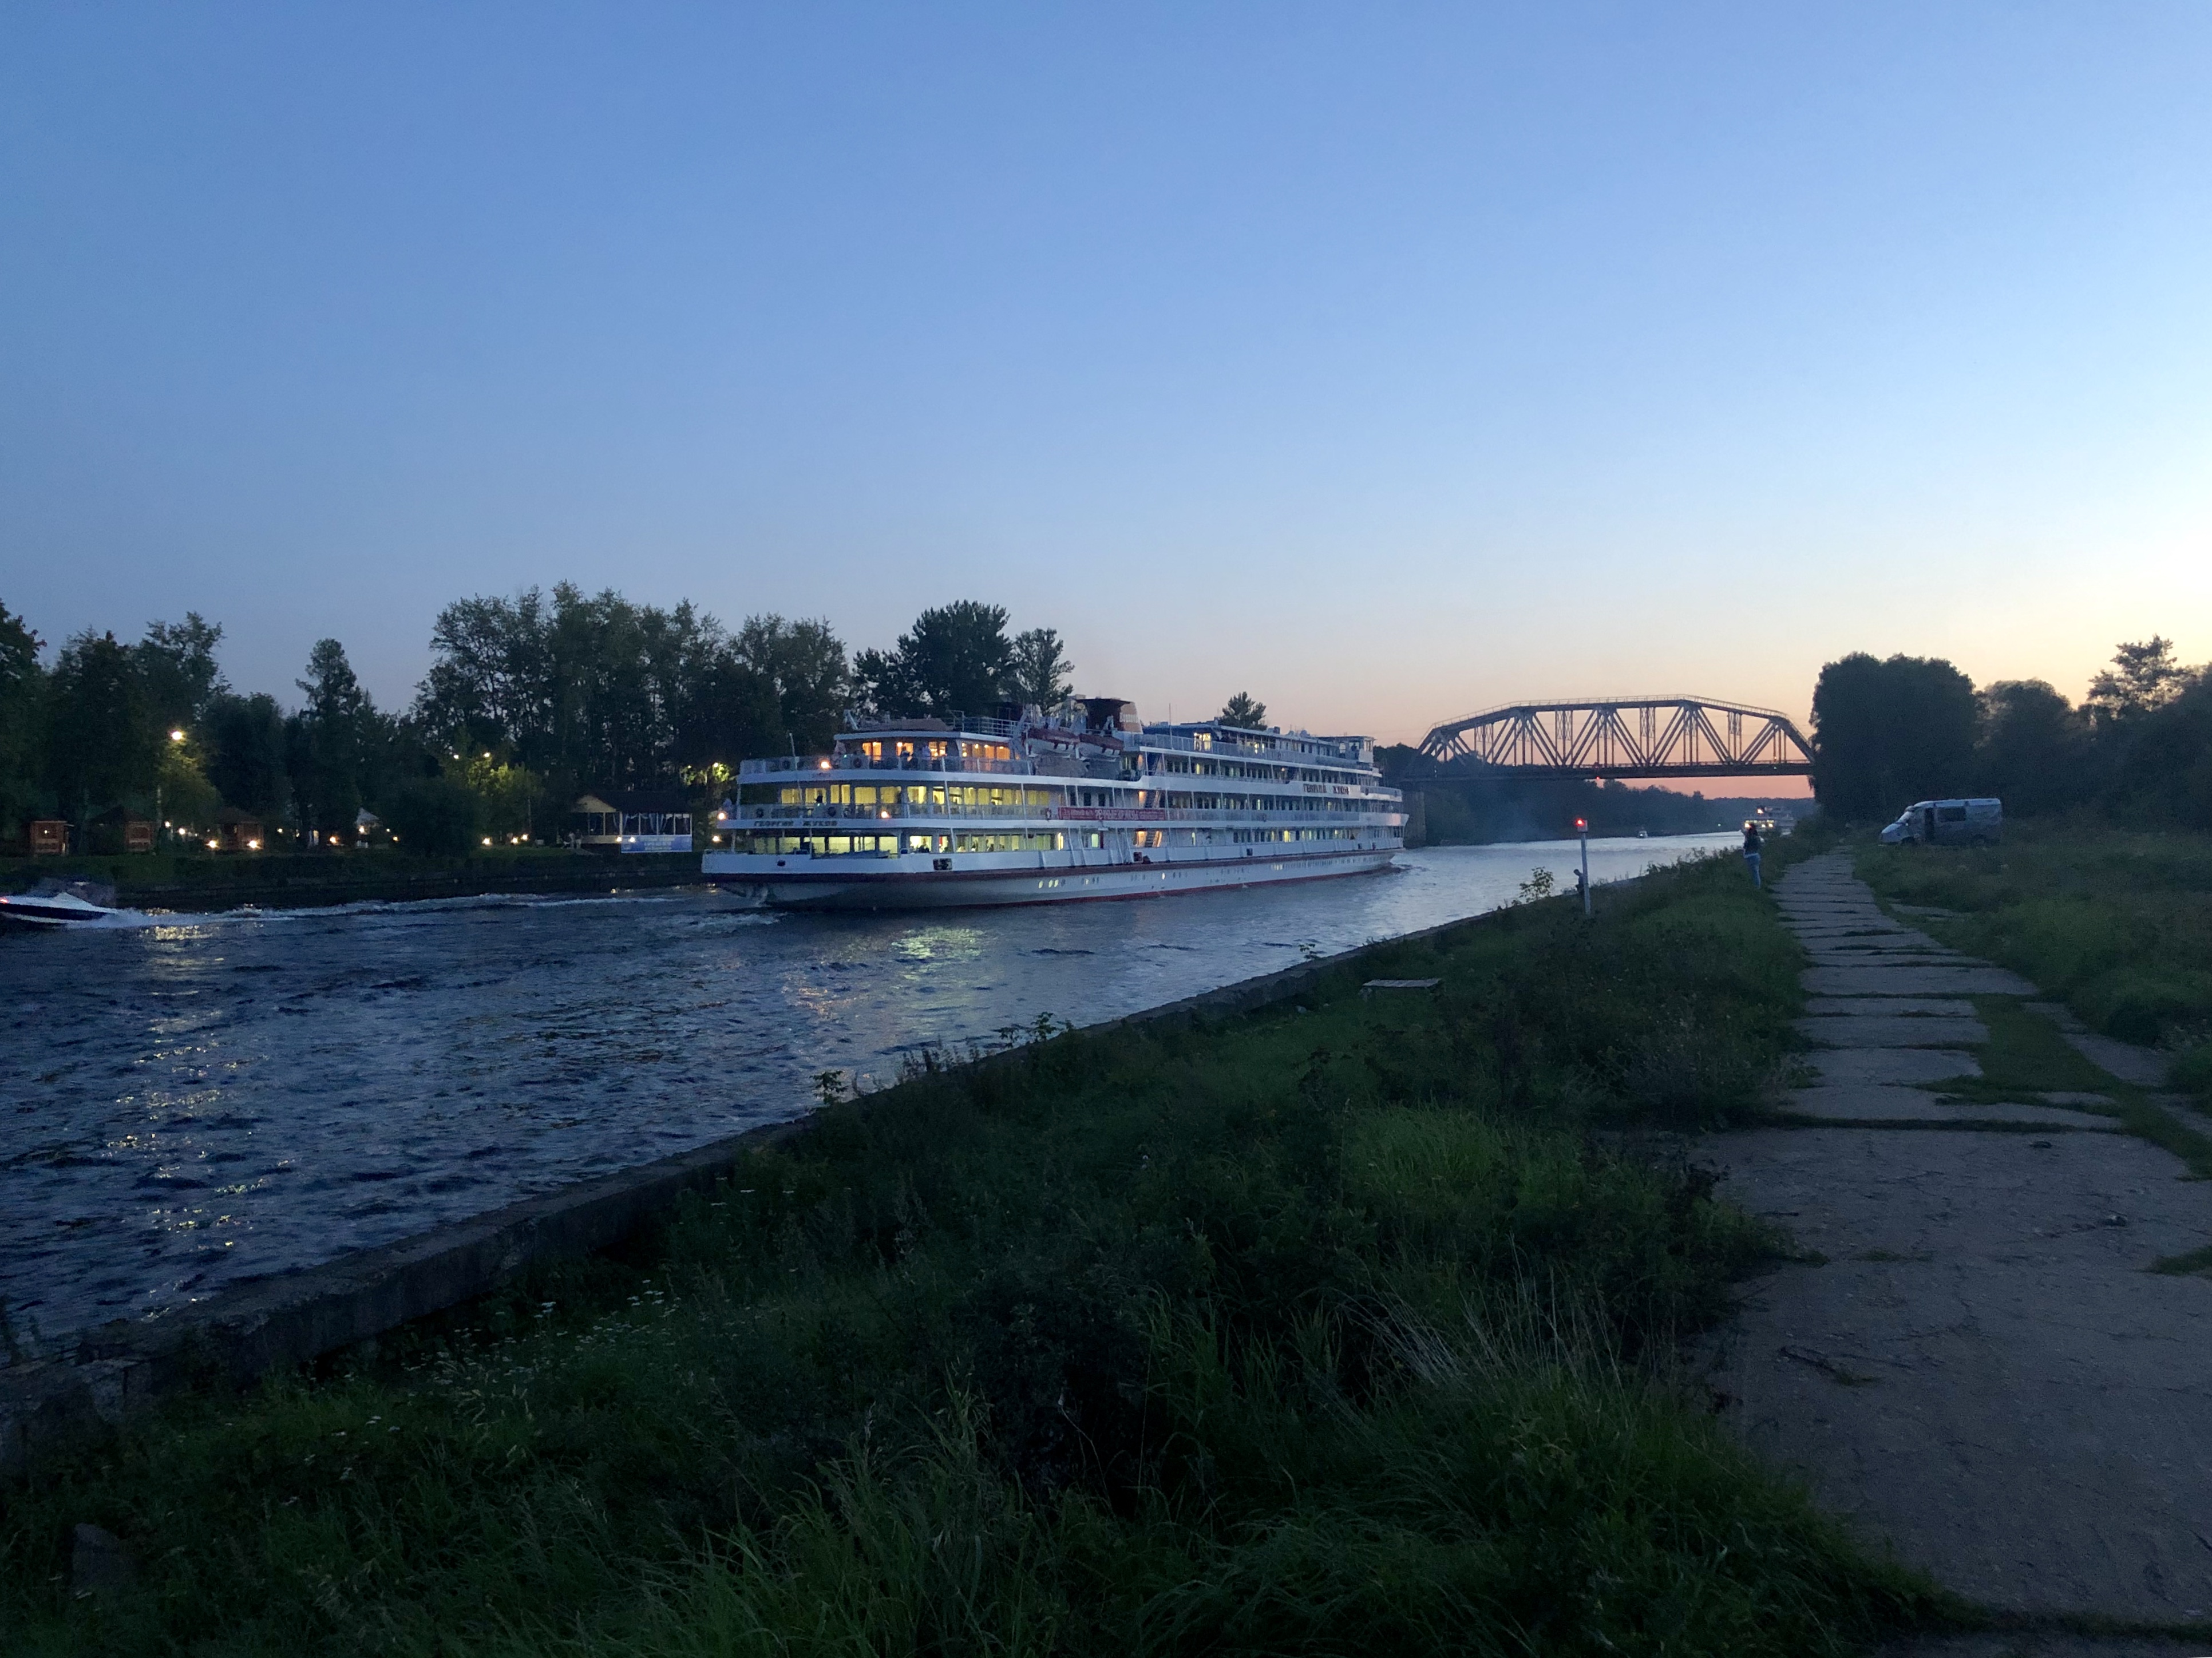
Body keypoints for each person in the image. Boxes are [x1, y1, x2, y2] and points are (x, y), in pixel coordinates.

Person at [1742, 820, 1763, 889]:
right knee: (1756, 872)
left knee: (1753, 873)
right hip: (1756, 855)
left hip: (1750, 856)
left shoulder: (1750, 838)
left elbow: (1746, 846)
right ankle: (1757, 887)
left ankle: (1756, 887)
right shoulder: (1757, 837)